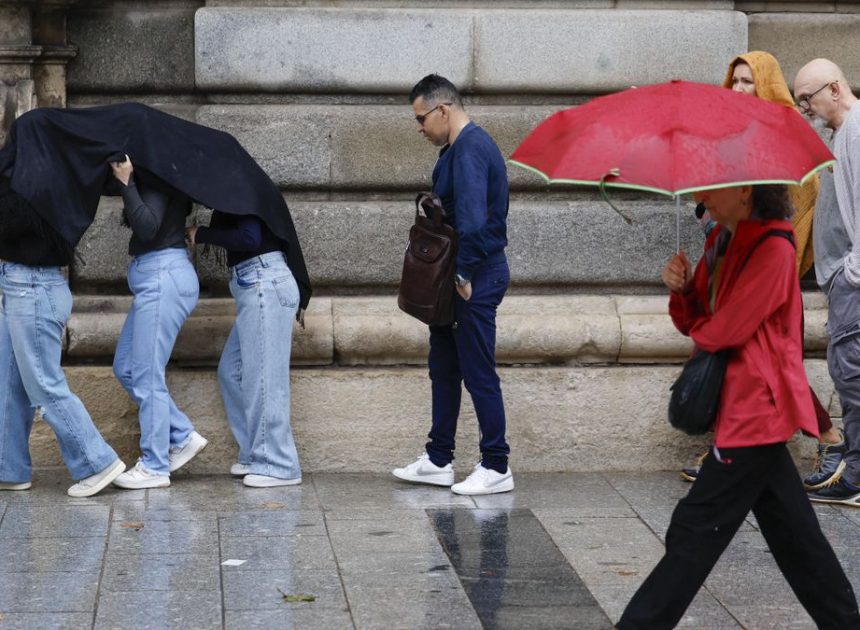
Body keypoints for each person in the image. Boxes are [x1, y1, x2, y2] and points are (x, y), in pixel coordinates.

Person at [617, 183, 860, 628]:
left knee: (694, 529)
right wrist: (683, 289)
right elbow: (694, 322)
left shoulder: (775, 247)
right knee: (798, 540)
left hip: (756, 410)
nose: (703, 196)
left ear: (745, 190)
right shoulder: (720, 240)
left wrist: (704, 320)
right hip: (740, 406)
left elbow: (729, 329)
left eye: (714, 187)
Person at [680, 51, 846, 489]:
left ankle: (828, 439)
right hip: (730, 262)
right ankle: (730, 446)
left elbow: (801, 202)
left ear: (766, 85)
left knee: (773, 360)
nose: (738, 89)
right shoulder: (727, 135)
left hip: (768, 268)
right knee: (750, 361)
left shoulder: (783, 134)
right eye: (734, 81)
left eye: (748, 81)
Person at [392, 74, 513, 496]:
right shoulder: (454, 149)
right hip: (459, 275)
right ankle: (438, 459)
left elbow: (476, 222)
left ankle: (496, 465)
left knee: (478, 372)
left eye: (421, 118)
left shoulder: (471, 149)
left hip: (474, 275)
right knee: (443, 367)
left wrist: (463, 274)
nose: (419, 128)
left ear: (443, 110)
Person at [0, 179, 125, 497]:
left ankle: (97, 462)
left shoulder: (40, 169)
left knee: (43, 383)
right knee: (8, 381)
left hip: (33, 285)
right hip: (18, 282)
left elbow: (16, 221)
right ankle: (8, 469)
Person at [109, 156, 208, 490]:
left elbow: (147, 226)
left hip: (163, 276)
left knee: (146, 373)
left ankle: (154, 465)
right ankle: (181, 434)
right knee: (127, 367)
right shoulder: (161, 171)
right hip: (157, 277)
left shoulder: (158, 173)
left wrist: (127, 182)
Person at [186, 211, 302, 487]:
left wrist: (200, 233)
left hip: (264, 282)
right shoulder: (237, 193)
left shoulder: (242, 191)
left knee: (265, 378)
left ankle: (278, 464)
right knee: (232, 372)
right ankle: (254, 453)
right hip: (256, 281)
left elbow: (250, 238)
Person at [793, 59, 860, 505]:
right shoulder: (845, 133)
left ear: (834, 89)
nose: (805, 109)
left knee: (851, 372)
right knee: (848, 371)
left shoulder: (855, 132)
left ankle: (856, 474)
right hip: (846, 278)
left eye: (808, 98)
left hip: (852, 280)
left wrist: (850, 274)